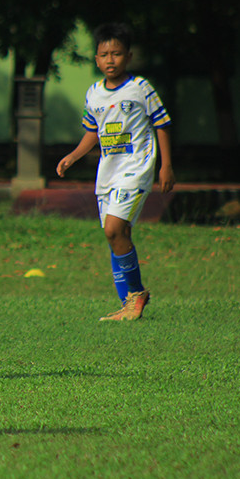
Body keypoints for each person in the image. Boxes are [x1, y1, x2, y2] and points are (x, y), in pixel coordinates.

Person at [56, 23, 175, 321]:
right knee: (116, 236)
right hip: (108, 174)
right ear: (96, 59)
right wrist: (72, 156)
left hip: (136, 169)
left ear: (128, 57)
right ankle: (129, 304)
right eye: (104, 55)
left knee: (113, 229)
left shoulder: (141, 88)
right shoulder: (94, 93)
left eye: (117, 54)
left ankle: (135, 295)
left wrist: (166, 166)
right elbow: (92, 132)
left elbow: (162, 124)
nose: (111, 60)